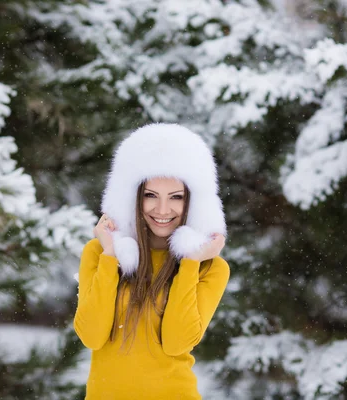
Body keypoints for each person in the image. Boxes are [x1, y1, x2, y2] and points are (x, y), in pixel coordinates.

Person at [74, 123, 230, 399]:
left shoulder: (210, 267)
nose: (162, 210)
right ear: (132, 197)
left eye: (176, 197)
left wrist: (190, 261)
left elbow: (176, 342)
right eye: (150, 195)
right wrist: (111, 254)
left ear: (193, 202)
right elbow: (92, 335)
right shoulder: (99, 254)